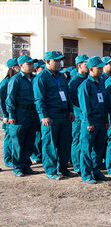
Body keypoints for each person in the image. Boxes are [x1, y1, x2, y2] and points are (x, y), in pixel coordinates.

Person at [34, 51, 75, 180]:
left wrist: (70, 110)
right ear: (47, 62)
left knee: (65, 143)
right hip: (51, 115)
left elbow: (67, 95)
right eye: (56, 61)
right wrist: (43, 115)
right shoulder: (41, 78)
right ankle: (51, 170)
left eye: (60, 60)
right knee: (50, 144)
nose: (59, 63)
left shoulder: (61, 76)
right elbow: (39, 99)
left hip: (64, 115)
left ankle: (63, 168)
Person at [78, 56, 110, 184]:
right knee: (87, 148)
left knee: (98, 148)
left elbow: (105, 102)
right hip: (90, 121)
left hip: (101, 120)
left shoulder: (101, 82)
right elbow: (85, 106)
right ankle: (86, 174)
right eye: (99, 68)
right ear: (91, 69)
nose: (102, 70)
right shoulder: (85, 85)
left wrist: (106, 119)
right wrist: (89, 122)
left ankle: (96, 171)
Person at [6, 55, 38, 177]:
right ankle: (18, 167)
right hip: (20, 114)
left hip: (32, 113)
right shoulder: (16, 80)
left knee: (29, 141)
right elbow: (10, 99)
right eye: (28, 64)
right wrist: (11, 115)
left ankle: (26, 165)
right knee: (18, 142)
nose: (31, 66)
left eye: (32, 64)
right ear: (21, 66)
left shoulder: (35, 78)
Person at [68, 54, 88, 175]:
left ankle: (84, 162)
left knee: (85, 139)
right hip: (78, 113)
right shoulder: (74, 81)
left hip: (86, 113)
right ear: (79, 65)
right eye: (86, 64)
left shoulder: (87, 79)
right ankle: (77, 164)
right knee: (77, 139)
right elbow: (72, 98)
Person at [1, 58, 19, 168]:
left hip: (16, 113)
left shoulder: (16, 80)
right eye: (18, 66)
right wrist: (5, 115)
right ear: (13, 68)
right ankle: (8, 159)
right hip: (8, 115)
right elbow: (3, 101)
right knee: (9, 138)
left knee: (14, 138)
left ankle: (13, 158)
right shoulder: (5, 82)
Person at [31, 60, 45, 163]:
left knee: (40, 134)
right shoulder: (37, 79)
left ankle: (39, 153)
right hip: (32, 111)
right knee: (36, 134)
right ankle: (36, 154)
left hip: (38, 110)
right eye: (42, 68)